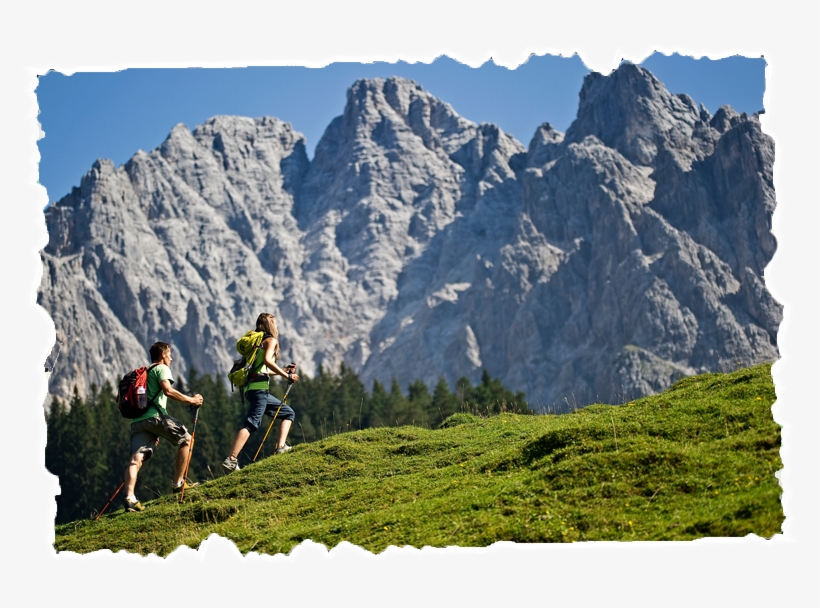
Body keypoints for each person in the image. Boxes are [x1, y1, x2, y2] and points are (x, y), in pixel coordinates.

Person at [123, 341, 204, 512]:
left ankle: (130, 498)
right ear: (162, 355)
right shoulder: (161, 368)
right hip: (155, 418)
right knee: (187, 440)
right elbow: (167, 390)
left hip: (138, 422)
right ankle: (178, 483)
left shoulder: (143, 372)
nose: (172, 358)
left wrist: (155, 431)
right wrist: (192, 400)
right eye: (170, 354)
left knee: (135, 459)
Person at [222, 313, 298, 472]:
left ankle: (281, 446)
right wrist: (287, 376)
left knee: (287, 413)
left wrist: (283, 370)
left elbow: (261, 369)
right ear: (271, 325)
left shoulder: (258, 343)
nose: (276, 326)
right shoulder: (271, 340)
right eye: (275, 323)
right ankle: (231, 459)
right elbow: (268, 362)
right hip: (259, 390)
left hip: (252, 389)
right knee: (251, 423)